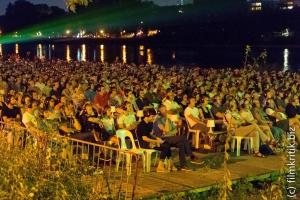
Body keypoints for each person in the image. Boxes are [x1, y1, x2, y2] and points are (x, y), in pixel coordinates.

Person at [154, 104, 196, 170]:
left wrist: (178, 124)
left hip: (171, 138)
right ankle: (191, 155)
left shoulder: (169, 119)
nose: (165, 111)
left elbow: (175, 130)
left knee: (181, 144)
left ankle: (183, 165)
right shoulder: (158, 120)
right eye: (162, 110)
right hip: (162, 139)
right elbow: (166, 130)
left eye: (165, 109)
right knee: (183, 138)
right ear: (159, 112)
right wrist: (167, 120)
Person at [136, 108, 173, 172]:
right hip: (144, 143)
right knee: (165, 147)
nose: (153, 118)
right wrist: (156, 141)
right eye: (152, 116)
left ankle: (170, 164)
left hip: (150, 140)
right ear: (146, 116)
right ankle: (160, 167)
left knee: (167, 144)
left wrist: (156, 138)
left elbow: (150, 134)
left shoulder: (150, 123)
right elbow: (144, 138)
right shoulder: (142, 125)